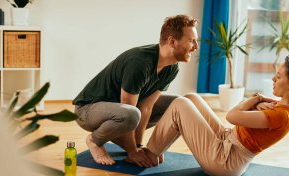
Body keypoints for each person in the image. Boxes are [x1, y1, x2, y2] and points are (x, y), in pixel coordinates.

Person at [144, 55, 289, 176]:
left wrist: (256, 99)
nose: (273, 80)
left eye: (278, 77)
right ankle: (156, 150)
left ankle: (149, 154)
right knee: (190, 98)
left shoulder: (282, 116)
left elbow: (232, 115)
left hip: (224, 161)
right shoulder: (282, 108)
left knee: (179, 105)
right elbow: (250, 115)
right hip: (226, 141)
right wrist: (256, 103)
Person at [73, 15, 199, 167]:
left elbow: (146, 107)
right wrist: (132, 152)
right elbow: (130, 110)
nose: (196, 46)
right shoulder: (140, 63)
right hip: (87, 110)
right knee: (131, 114)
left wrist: (138, 148)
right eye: (192, 40)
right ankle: (94, 140)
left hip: (120, 114)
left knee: (178, 104)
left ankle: (147, 146)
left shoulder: (172, 68)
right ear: (172, 41)